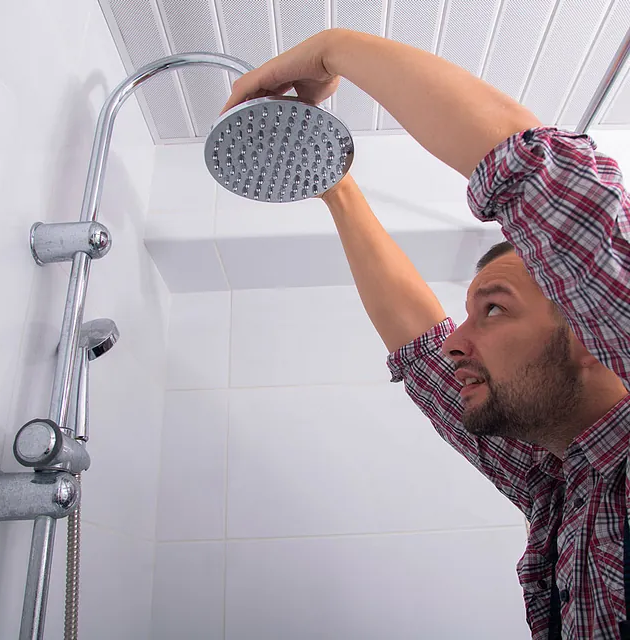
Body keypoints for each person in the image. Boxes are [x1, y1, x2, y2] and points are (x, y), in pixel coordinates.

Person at [222, 28, 630, 639]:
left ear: (590, 331)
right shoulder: (561, 484)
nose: (455, 341)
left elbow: (548, 189)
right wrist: (332, 179)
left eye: (493, 311)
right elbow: (421, 350)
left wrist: (331, 49)